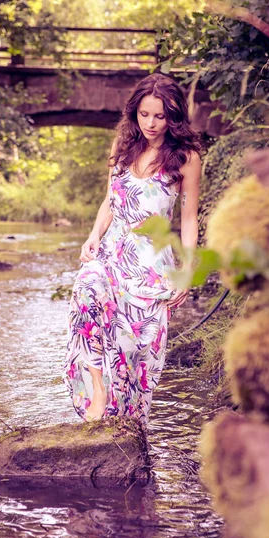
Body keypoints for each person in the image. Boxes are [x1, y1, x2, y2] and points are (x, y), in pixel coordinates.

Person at [63, 73, 201, 423]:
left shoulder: (186, 158)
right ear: (134, 112)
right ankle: (98, 392)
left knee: (133, 355)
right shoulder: (123, 145)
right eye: (144, 114)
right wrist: (94, 234)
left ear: (174, 116)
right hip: (111, 254)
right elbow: (111, 199)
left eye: (160, 115)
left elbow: (187, 220)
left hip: (151, 268)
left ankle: (125, 426)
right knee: (85, 292)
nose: (151, 124)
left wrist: (186, 273)